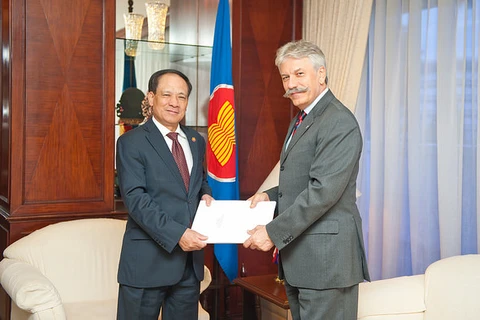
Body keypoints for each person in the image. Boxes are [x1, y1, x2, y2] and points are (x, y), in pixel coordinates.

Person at [243, 40, 370, 320]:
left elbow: (323, 191)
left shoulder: (338, 121)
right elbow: (305, 179)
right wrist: (271, 196)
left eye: (299, 74)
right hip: (303, 260)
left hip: (327, 263)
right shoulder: (303, 118)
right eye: (286, 77)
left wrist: (272, 232)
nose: (291, 84)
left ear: (321, 74)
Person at [115, 69, 213, 320]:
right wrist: (178, 234)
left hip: (189, 267)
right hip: (147, 262)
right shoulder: (131, 142)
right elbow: (136, 199)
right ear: (150, 97)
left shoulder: (195, 140)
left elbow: (198, 183)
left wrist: (206, 195)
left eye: (181, 97)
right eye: (167, 94)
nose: (174, 102)